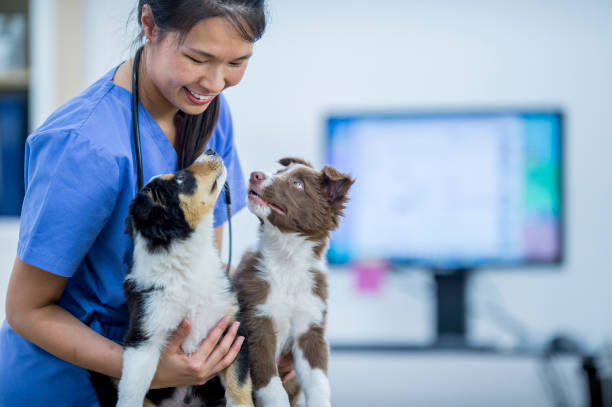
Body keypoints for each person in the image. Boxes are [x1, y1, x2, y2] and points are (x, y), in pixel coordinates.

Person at [0, 1, 293, 405]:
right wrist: (145, 368)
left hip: (169, 382)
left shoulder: (208, 112)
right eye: (198, 58)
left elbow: (205, 269)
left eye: (237, 62)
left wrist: (259, 344)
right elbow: (26, 310)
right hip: (65, 384)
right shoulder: (84, 146)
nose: (214, 82)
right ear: (149, 23)